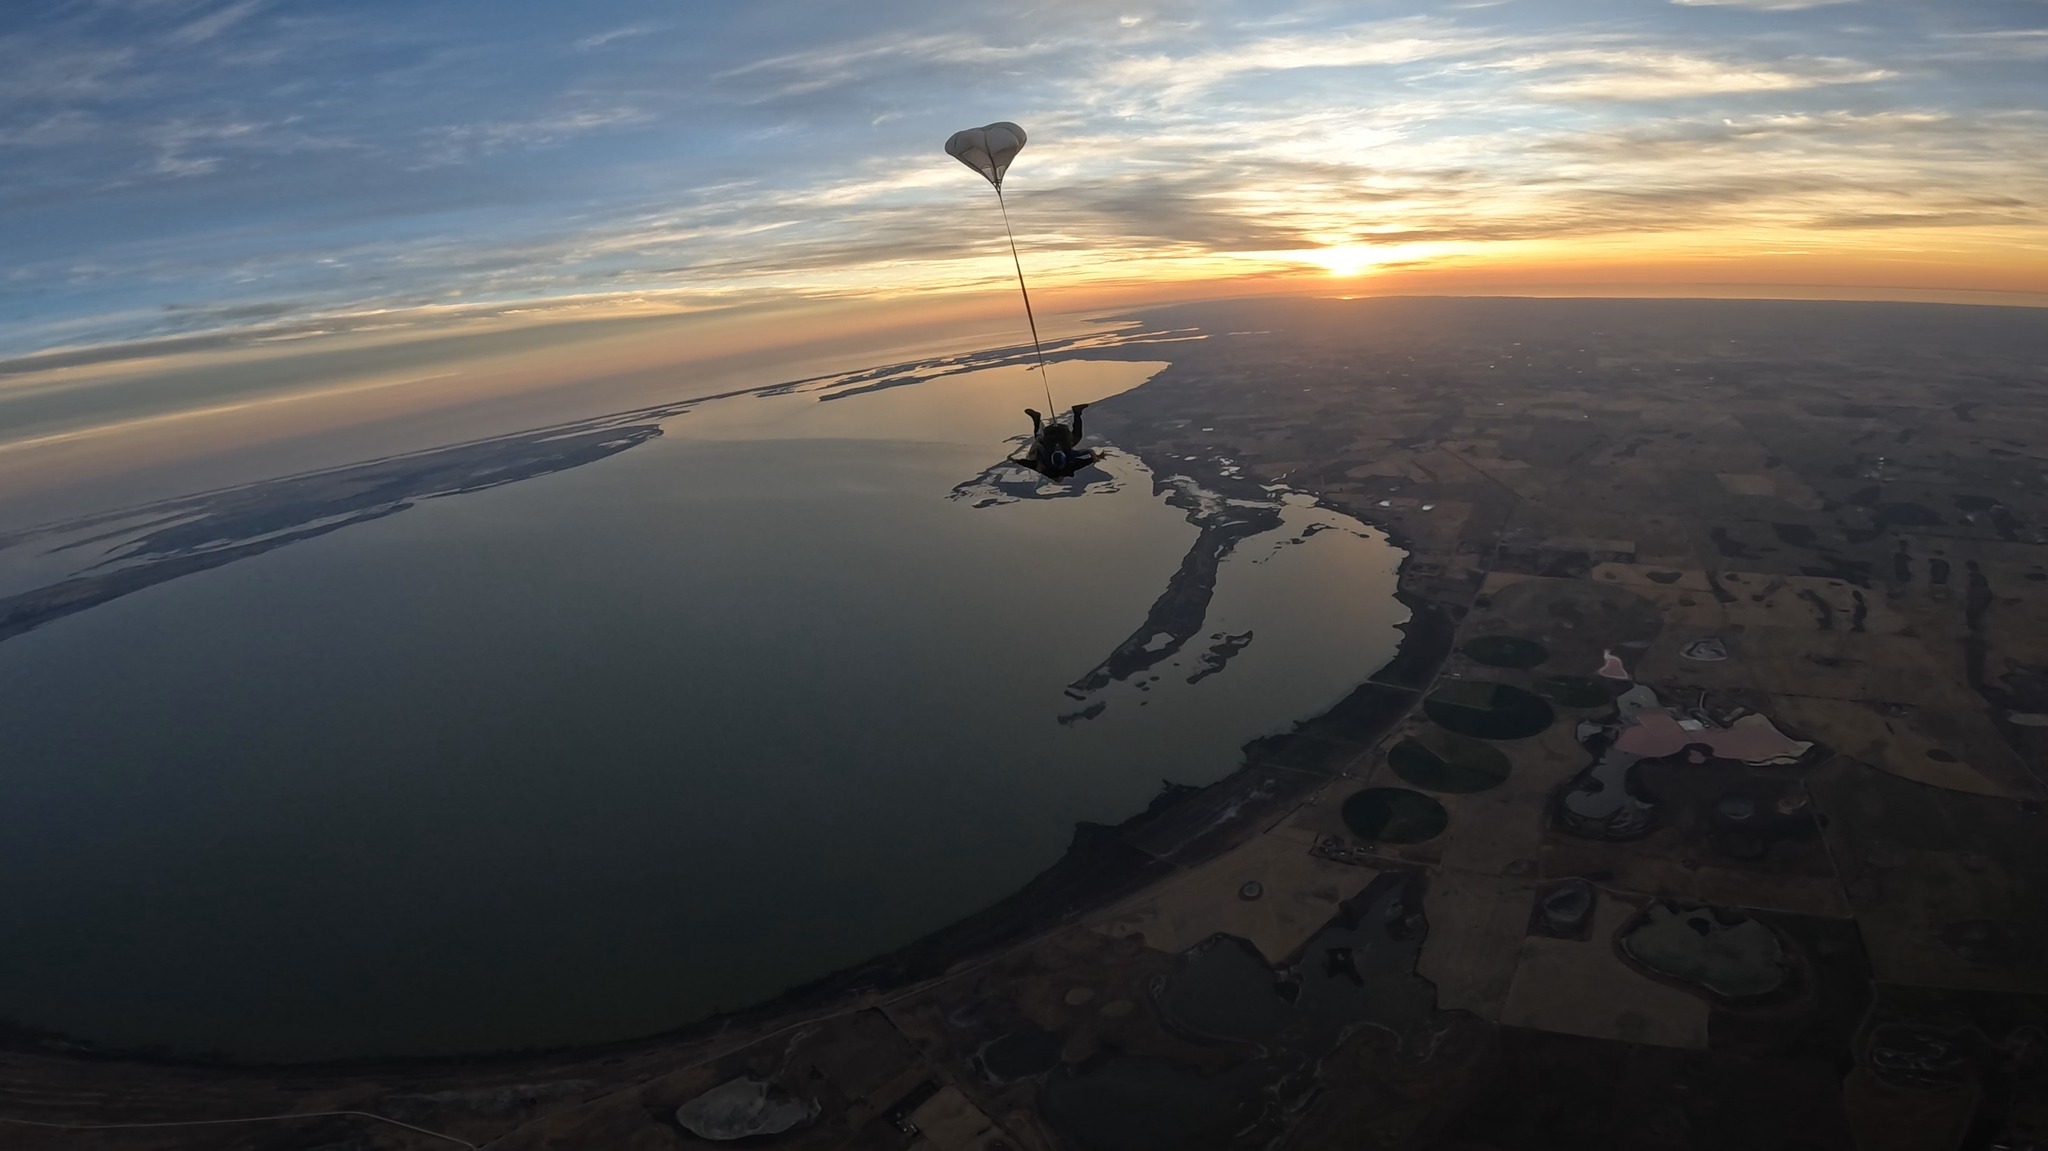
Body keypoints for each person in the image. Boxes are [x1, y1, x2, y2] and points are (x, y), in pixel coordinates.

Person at [1018, 403, 1091, 478]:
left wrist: (1093, 458)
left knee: (1077, 437)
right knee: (1038, 441)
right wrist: (1018, 461)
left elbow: (1084, 457)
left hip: (1062, 432)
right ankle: (1036, 419)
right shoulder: (1046, 456)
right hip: (1050, 433)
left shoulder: (1069, 454)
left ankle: (1077, 413)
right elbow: (1032, 458)